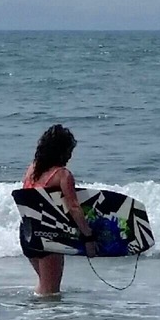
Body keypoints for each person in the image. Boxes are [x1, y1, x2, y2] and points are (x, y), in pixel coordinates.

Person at [21, 124, 97, 296]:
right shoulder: (63, 175)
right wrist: (88, 236)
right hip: (48, 236)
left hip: (27, 234)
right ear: (62, 151)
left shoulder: (32, 169)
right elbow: (74, 208)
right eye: (69, 150)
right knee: (50, 293)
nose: (70, 156)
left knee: (45, 287)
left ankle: (34, 319)